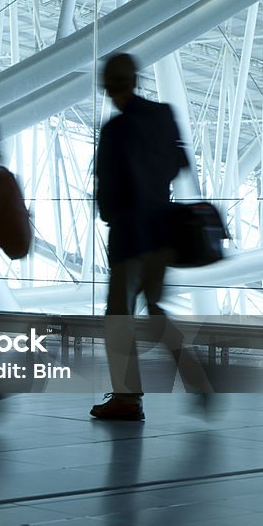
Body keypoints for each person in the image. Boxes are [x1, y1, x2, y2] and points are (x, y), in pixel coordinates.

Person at [92, 53, 211, 421]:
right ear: (137, 80)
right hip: (162, 231)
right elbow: (181, 164)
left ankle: (127, 398)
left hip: (130, 236)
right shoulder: (163, 115)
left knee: (118, 315)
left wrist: (113, 213)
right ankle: (196, 378)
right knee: (156, 311)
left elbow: (106, 189)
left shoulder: (115, 130)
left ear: (108, 88)